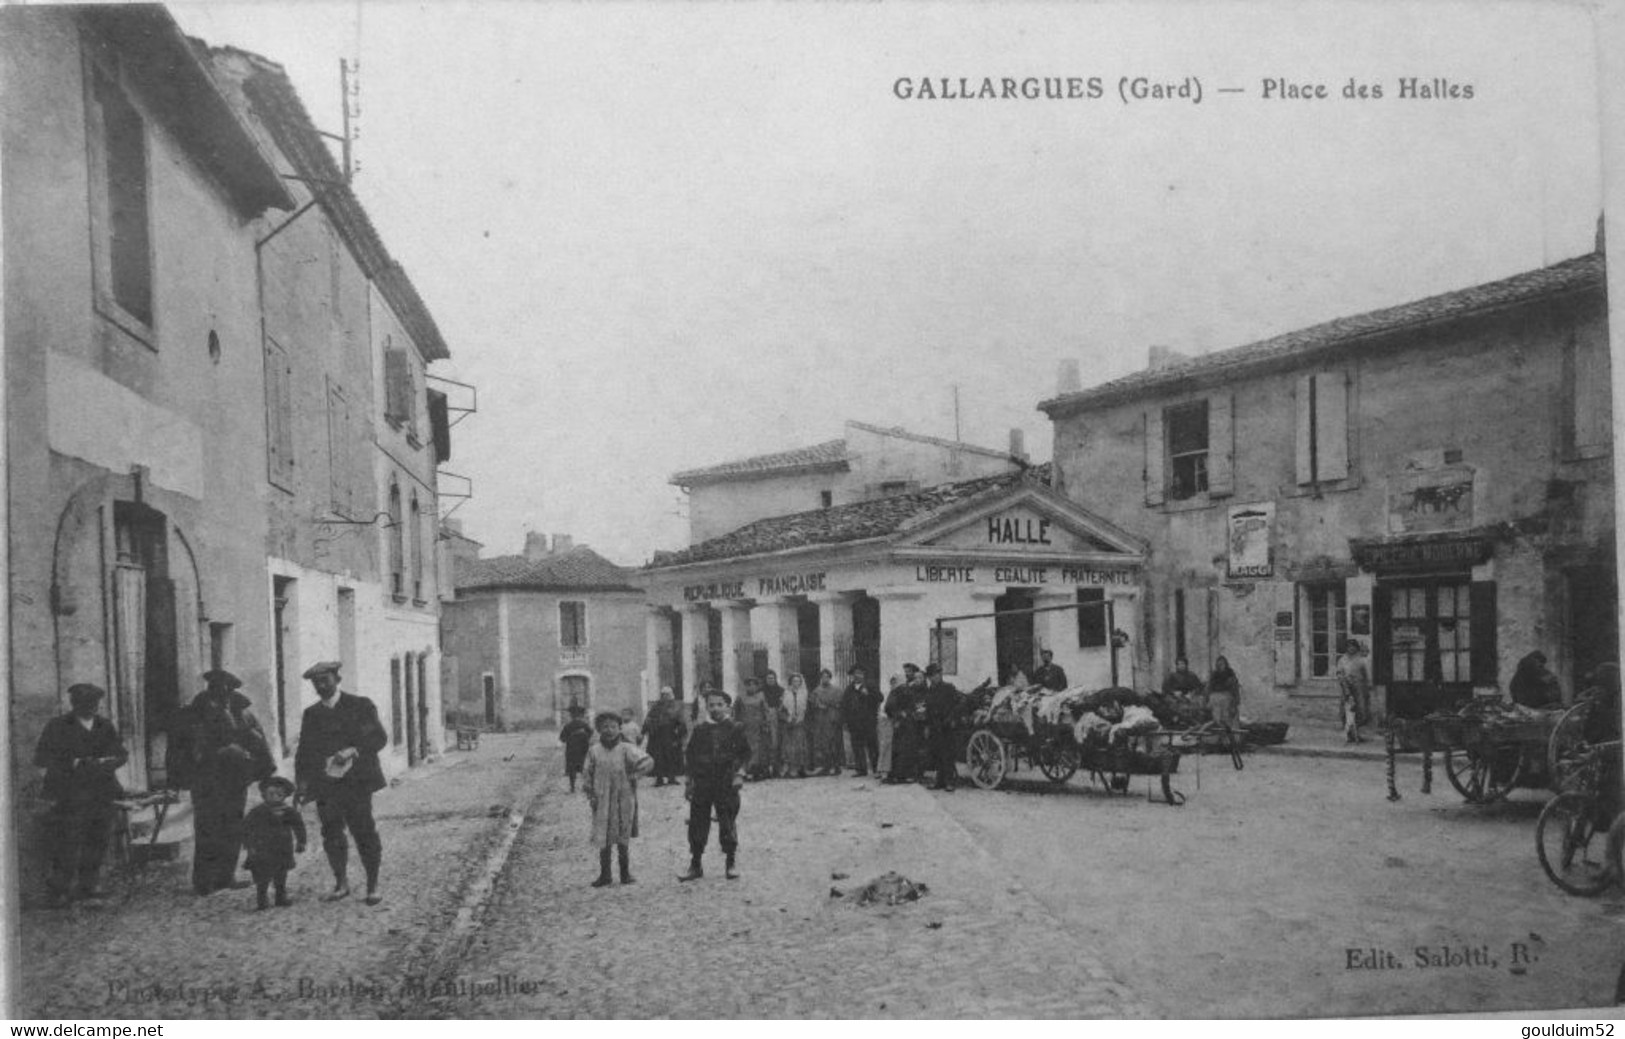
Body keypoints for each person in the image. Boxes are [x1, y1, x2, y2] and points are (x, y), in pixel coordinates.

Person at [167, 668, 274, 895]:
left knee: (233, 826)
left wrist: (262, 770)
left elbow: (259, 743)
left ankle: (226, 876)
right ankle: (204, 880)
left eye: (227, 689)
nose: (223, 693)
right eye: (217, 688)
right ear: (210, 689)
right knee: (207, 827)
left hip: (236, 779)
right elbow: (183, 748)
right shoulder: (194, 715)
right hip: (207, 780)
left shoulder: (242, 714)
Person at [293, 661, 388, 906]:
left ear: (337, 679)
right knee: (332, 833)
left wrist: (354, 750)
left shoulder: (360, 706)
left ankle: (372, 884)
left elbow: (379, 737)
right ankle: (341, 882)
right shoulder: (312, 714)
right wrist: (301, 784)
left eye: (325, 680)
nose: (321, 686)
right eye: (316, 682)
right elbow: (304, 752)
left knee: (364, 831)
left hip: (357, 782)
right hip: (326, 784)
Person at [34, 683, 127, 907]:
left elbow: (121, 753)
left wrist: (109, 761)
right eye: (87, 703)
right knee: (68, 841)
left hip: (102, 792)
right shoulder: (58, 726)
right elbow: (42, 758)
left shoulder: (104, 726)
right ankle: (59, 891)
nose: (93, 707)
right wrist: (75, 762)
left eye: (95, 703)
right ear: (75, 704)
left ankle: (88, 887)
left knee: (98, 839)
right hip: (71, 793)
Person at [679, 689, 753, 882]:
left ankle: (731, 862)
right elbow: (691, 757)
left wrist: (739, 774)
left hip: (726, 781)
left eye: (719, 704)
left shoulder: (735, 728)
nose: (715, 708)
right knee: (697, 822)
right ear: (706, 707)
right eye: (711, 705)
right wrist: (689, 783)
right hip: (703, 782)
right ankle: (695, 864)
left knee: (727, 819)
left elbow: (745, 754)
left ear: (727, 706)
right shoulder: (700, 730)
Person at [583, 711, 653, 887]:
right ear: (599, 729)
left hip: (623, 797)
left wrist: (635, 775)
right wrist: (591, 794)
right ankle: (605, 875)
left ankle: (625, 873)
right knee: (603, 836)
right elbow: (587, 774)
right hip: (602, 798)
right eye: (605, 727)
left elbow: (647, 761)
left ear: (619, 728)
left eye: (613, 726)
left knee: (622, 835)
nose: (609, 730)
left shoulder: (626, 749)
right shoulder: (594, 751)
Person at [241, 775, 307, 910]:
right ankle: (262, 898)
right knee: (261, 875)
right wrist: (249, 845)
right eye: (271, 794)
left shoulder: (289, 812)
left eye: (279, 794)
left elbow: (299, 826)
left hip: (282, 849)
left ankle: (280, 896)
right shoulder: (257, 812)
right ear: (264, 795)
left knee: (281, 874)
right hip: (261, 849)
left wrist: (301, 841)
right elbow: (246, 827)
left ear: (284, 796)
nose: (275, 797)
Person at [922, 663, 962, 791]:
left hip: (947, 725)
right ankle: (939, 781)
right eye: (932, 676)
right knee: (937, 754)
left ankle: (950, 782)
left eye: (937, 675)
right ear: (929, 677)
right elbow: (928, 709)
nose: (935, 677)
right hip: (934, 725)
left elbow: (958, 705)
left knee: (948, 755)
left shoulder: (948, 688)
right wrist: (927, 726)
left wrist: (952, 719)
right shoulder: (929, 691)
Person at [884, 665, 924, 785]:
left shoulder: (903, 691)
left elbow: (910, 707)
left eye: (894, 681)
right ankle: (897, 775)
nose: (893, 683)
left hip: (905, 725)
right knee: (898, 750)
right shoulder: (898, 691)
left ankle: (901, 775)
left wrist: (902, 714)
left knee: (903, 750)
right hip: (899, 724)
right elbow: (889, 707)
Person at [842, 666, 883, 776]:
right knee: (857, 746)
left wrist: (868, 694)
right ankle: (861, 769)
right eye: (855, 674)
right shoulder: (849, 689)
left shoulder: (870, 686)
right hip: (854, 723)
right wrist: (846, 721)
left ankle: (876, 769)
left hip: (868, 722)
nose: (857, 676)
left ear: (863, 675)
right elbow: (844, 705)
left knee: (872, 745)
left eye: (860, 673)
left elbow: (880, 698)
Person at [645, 687, 687, 787]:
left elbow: (681, 721)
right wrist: (648, 729)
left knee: (671, 756)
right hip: (657, 736)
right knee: (658, 757)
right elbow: (649, 719)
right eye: (663, 694)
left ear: (671, 695)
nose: (665, 697)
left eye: (667, 694)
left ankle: (671, 778)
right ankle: (659, 779)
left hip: (671, 734)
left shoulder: (676, 706)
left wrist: (680, 734)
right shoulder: (656, 706)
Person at [1335, 640, 1373, 743]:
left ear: (1356, 648)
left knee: (1361, 710)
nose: (1351, 649)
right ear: (1346, 648)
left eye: (1353, 647)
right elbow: (1339, 674)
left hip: (1359, 688)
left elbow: (1366, 675)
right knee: (1347, 711)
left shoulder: (1361, 660)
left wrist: (1367, 687)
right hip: (1346, 688)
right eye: (1349, 647)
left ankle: (1357, 734)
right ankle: (1349, 734)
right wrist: (1344, 685)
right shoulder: (1342, 660)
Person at [734, 678, 771, 780]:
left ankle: (757, 771)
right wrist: (736, 723)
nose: (751, 687)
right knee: (747, 748)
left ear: (757, 686)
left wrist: (766, 723)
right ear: (745, 686)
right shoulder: (740, 697)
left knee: (758, 749)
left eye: (754, 684)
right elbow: (735, 712)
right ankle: (745, 771)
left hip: (758, 726)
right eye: (749, 685)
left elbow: (766, 711)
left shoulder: (761, 696)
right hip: (745, 726)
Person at [810, 669, 844, 775]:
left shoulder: (837, 690)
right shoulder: (816, 691)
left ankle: (837, 766)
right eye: (823, 677)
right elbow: (812, 703)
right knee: (823, 744)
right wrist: (818, 705)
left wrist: (832, 707)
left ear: (830, 677)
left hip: (833, 718)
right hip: (821, 720)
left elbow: (840, 703)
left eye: (827, 676)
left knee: (835, 743)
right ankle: (826, 766)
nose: (825, 679)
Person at [781, 673, 812, 778]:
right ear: (791, 682)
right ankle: (791, 769)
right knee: (790, 747)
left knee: (801, 746)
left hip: (800, 723)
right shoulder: (786, 693)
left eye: (798, 681)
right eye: (794, 681)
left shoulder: (805, 693)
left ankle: (801, 769)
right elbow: (782, 709)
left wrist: (802, 718)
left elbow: (808, 709)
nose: (796, 683)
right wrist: (788, 718)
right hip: (789, 724)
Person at [559, 704, 594, 792]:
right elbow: (590, 733)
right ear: (581, 715)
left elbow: (562, 738)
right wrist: (585, 738)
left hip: (571, 750)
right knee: (584, 766)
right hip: (583, 748)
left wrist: (569, 739)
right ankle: (586, 785)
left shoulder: (568, 725)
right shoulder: (584, 724)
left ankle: (572, 787)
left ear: (571, 716)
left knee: (572, 768)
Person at [760, 670, 786, 777]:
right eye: (768, 678)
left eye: (772, 678)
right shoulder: (761, 692)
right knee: (766, 743)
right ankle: (765, 769)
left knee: (776, 743)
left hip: (777, 718)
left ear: (775, 679)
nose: (771, 680)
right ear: (765, 680)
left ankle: (776, 768)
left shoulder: (781, 691)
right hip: (765, 718)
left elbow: (783, 704)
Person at [1207, 656, 1242, 730]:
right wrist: (1208, 700)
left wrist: (1235, 701)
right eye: (1219, 664)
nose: (1221, 666)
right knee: (1217, 719)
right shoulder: (1214, 675)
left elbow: (1235, 688)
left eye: (1222, 664)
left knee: (1228, 719)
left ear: (1226, 664)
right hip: (1216, 700)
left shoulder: (1230, 674)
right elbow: (1210, 688)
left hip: (1228, 700)